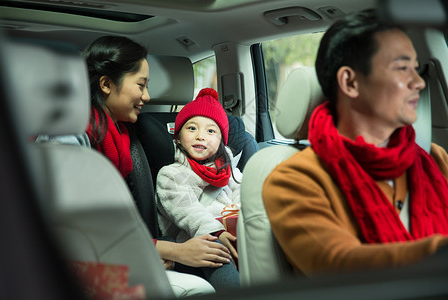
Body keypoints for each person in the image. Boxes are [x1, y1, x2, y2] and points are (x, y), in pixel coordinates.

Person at [262, 9, 448, 277]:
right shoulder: (293, 180)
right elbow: (341, 264)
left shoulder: (433, 158)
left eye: (416, 69)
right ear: (350, 82)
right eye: (402, 68)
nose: (418, 82)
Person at [80, 35, 235, 296]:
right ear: (106, 84)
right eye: (141, 86)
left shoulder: (121, 134)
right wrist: (174, 251)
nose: (147, 96)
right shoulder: (76, 139)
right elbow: (89, 231)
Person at [156, 88, 241, 290]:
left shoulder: (230, 172)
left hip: (233, 234)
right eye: (192, 128)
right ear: (177, 138)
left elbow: (245, 197)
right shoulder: (171, 175)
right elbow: (189, 213)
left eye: (211, 131)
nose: (200, 136)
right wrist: (217, 232)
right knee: (215, 250)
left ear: (221, 141)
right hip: (195, 242)